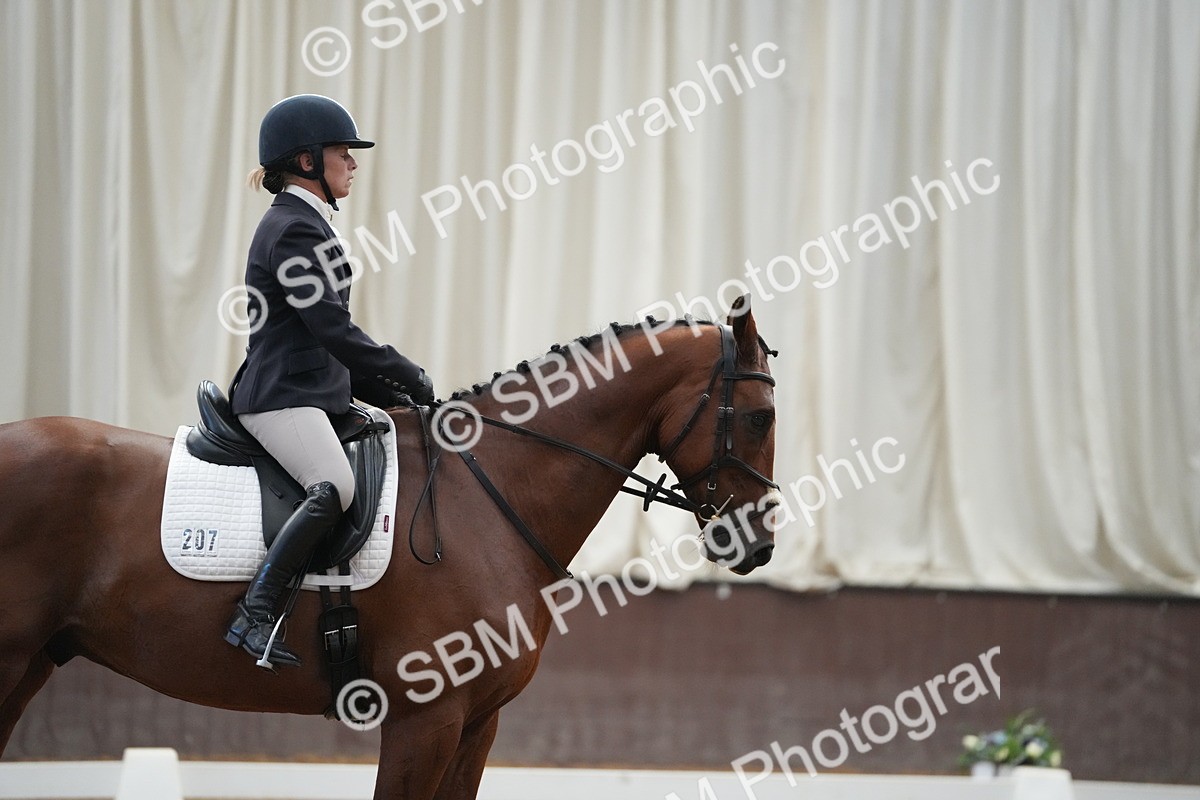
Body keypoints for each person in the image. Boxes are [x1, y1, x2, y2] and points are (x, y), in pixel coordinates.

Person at [224, 94, 435, 669]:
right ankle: (257, 613)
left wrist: (389, 394)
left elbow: (324, 340)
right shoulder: (293, 229)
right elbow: (333, 330)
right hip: (280, 397)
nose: (354, 163)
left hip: (310, 389)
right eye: (345, 152)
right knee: (333, 487)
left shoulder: (305, 224)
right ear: (308, 161)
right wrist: (403, 370)